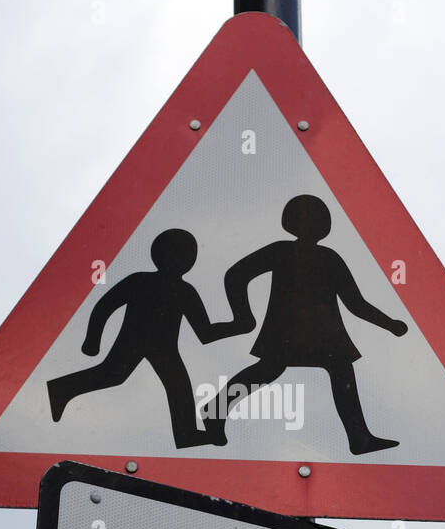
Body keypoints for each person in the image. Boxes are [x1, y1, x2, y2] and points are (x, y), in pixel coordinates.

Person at [198, 194, 408, 454]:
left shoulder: (330, 258)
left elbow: (355, 303)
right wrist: (242, 316)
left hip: (322, 332)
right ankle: (215, 411)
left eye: (320, 220)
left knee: (329, 369)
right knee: (272, 369)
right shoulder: (282, 250)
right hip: (288, 330)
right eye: (309, 219)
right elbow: (236, 275)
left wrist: (389, 324)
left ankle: (359, 438)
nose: (315, 225)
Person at [47, 229, 229, 449]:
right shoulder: (140, 280)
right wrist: (92, 340)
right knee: (113, 375)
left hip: (165, 348)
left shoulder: (185, 291)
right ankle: (60, 389)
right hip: (133, 340)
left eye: (189, 255)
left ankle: (186, 434)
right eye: (177, 253)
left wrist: (237, 326)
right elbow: (105, 305)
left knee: (178, 386)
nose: (184, 260)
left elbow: (205, 332)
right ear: (160, 255)